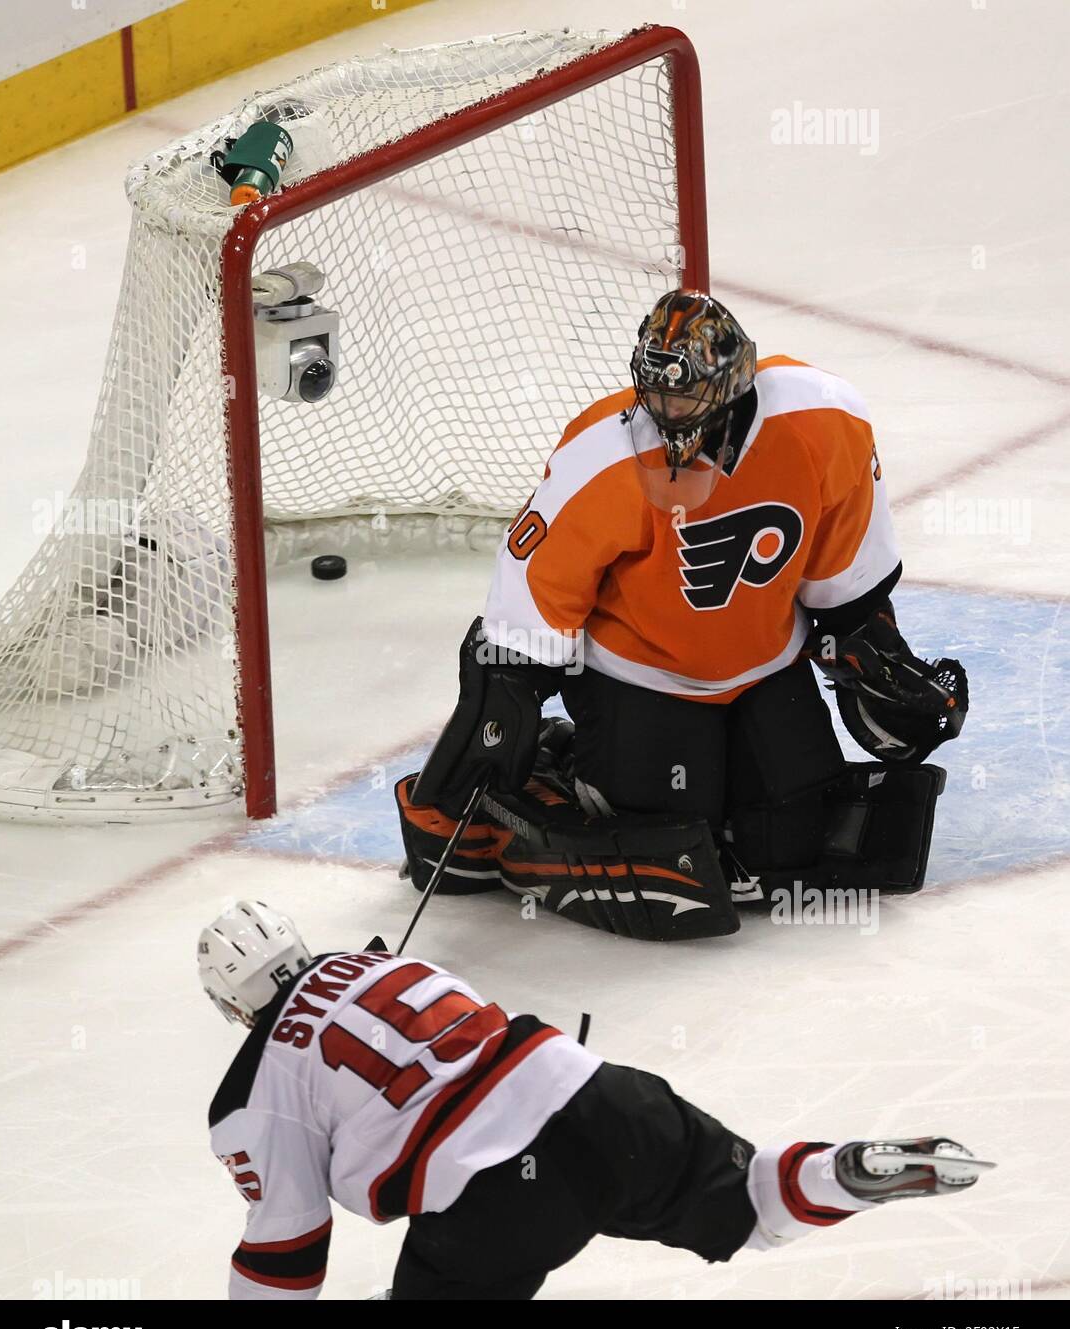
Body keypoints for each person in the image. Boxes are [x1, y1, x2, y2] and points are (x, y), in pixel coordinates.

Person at [396, 289, 968, 939]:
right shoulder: (603, 455)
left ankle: (612, 769)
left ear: (732, 377)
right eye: (656, 393)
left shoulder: (821, 416)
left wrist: (871, 650)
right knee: (662, 855)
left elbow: (843, 576)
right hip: (636, 674)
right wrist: (505, 702)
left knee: (786, 849)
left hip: (765, 665)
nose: (667, 411)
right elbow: (532, 598)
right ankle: (553, 778)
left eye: (684, 393)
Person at [201, 901, 990, 1300]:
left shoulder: (249, 1091)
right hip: (594, 1096)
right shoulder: (386, 964)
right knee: (751, 1205)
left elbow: (287, 1250)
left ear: (232, 1004)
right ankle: (842, 1172)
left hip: (491, 1202)